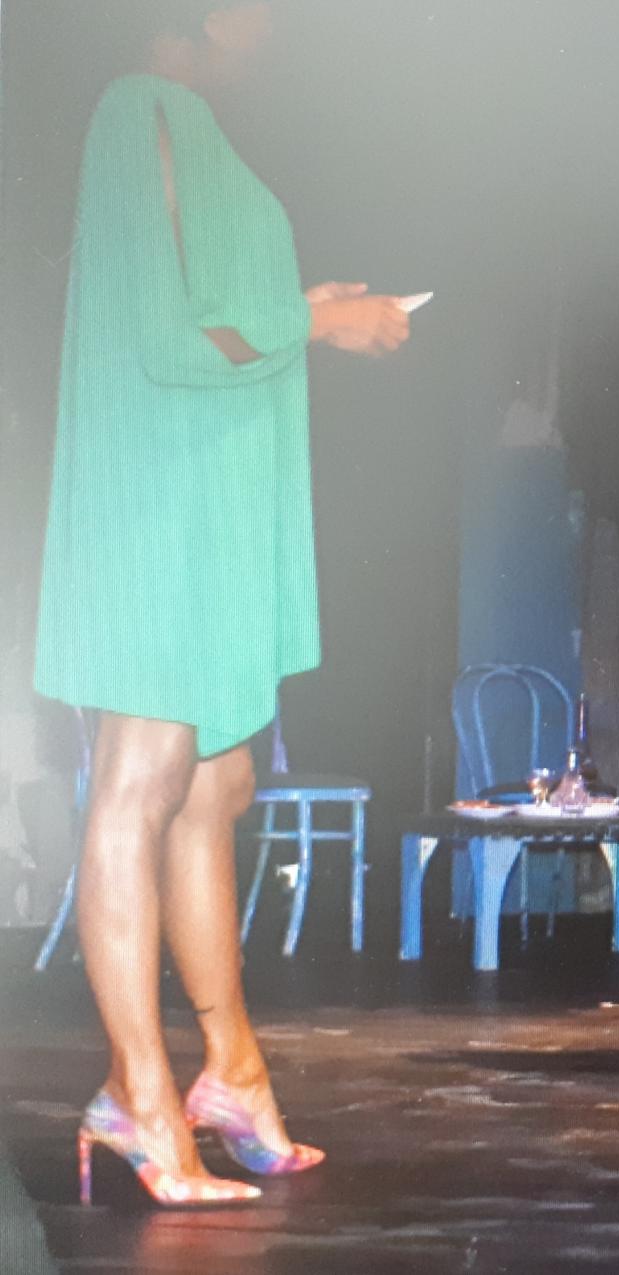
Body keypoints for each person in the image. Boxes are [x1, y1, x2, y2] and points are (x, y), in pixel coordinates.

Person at [34, 2, 411, 1206]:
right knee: (140, 778)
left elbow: (212, 308)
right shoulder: (138, 109)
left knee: (219, 784)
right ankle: (138, 1095)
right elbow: (164, 338)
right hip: (158, 508)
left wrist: (304, 305)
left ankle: (232, 1072)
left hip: (204, 501)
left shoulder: (181, 121)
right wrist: (320, 319)